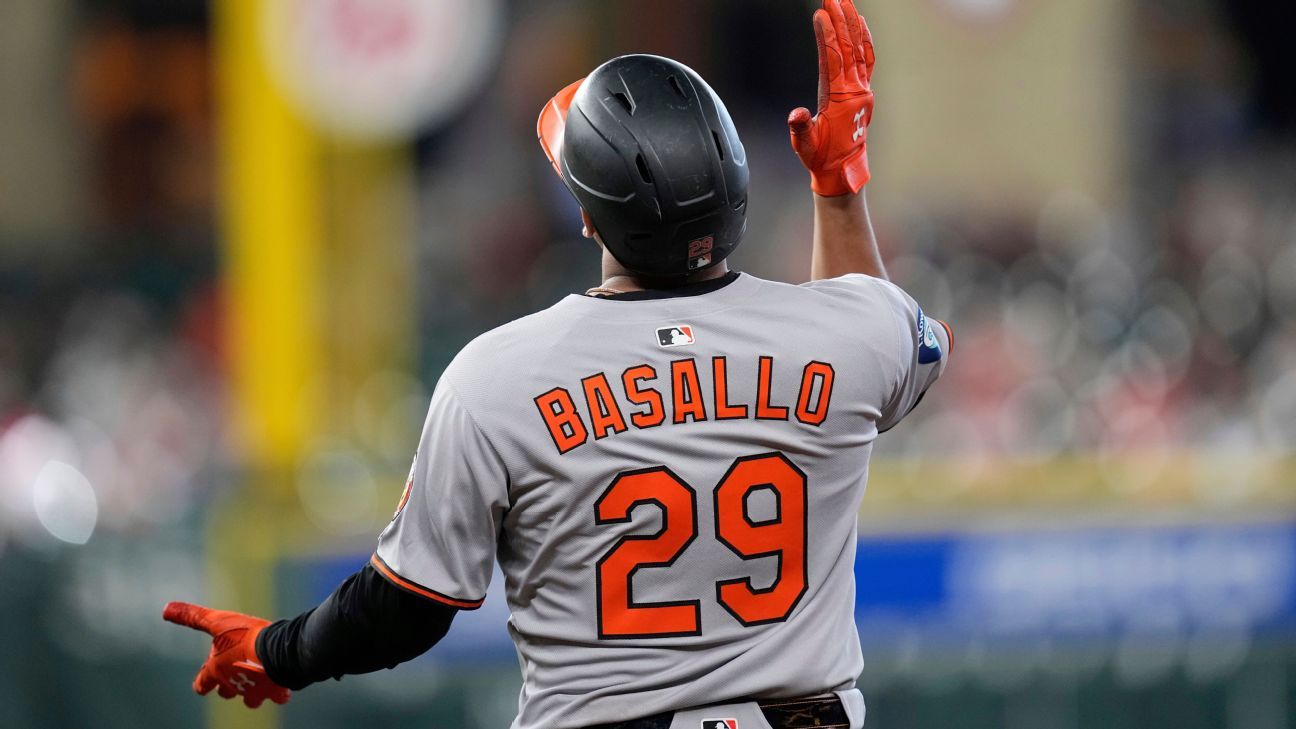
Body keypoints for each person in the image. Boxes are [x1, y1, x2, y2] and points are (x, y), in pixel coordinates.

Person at [162, 2, 952, 727]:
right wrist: (838, 186)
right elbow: (869, 329)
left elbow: (405, 608)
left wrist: (277, 649)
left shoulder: (497, 375)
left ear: (586, 214)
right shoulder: (849, 332)